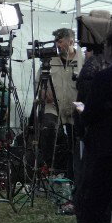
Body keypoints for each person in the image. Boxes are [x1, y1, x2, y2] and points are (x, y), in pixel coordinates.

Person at [46, 30, 112, 223]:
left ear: (109, 48)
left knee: (92, 206)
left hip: (107, 152)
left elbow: (91, 115)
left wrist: (84, 112)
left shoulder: (105, 78)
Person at [38, 28, 79, 180]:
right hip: (53, 107)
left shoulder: (82, 60)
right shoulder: (50, 59)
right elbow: (39, 82)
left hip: (74, 109)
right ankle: (49, 167)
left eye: (60, 41)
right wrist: (42, 92)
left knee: (75, 141)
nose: (57, 44)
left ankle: (72, 173)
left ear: (71, 41)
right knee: (48, 128)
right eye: (56, 41)